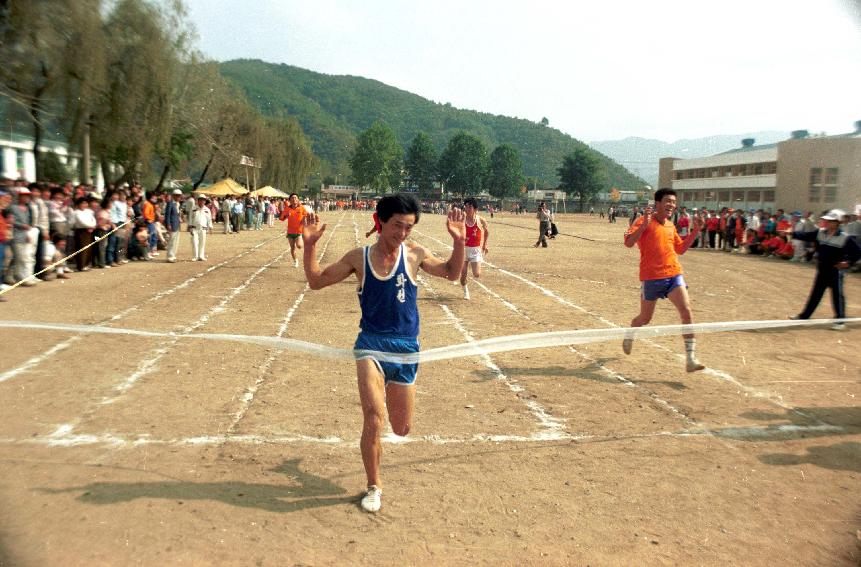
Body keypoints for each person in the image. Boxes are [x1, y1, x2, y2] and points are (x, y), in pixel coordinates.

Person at [302, 194, 466, 513]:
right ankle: (374, 486)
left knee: (401, 427)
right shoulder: (358, 258)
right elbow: (316, 281)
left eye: (408, 227)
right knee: (374, 418)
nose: (402, 233)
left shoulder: (415, 254)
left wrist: (459, 242)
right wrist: (309, 246)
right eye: (396, 226)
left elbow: (450, 272)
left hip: (407, 349)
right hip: (371, 345)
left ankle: (391, 394)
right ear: (381, 221)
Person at [622, 188, 706, 372]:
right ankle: (630, 332)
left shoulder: (670, 225)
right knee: (645, 318)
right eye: (668, 201)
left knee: (686, 311)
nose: (672, 205)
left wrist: (696, 230)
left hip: (673, 275)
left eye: (674, 202)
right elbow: (628, 242)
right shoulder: (643, 221)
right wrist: (644, 225)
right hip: (651, 278)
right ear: (657, 203)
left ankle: (690, 359)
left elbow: (681, 249)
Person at [790, 209, 860, 330]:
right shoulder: (820, 232)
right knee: (815, 294)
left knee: (837, 296)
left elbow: (858, 253)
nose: (827, 222)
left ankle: (840, 321)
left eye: (831, 221)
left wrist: (847, 263)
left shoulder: (845, 238)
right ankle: (804, 316)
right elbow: (807, 236)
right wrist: (792, 234)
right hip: (822, 269)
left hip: (835, 271)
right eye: (827, 220)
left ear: (837, 222)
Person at [459, 197, 489, 300]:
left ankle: (472, 264)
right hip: (463, 249)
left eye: (470, 206)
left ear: (475, 209)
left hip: (475, 250)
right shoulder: (462, 219)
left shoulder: (480, 220)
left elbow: (487, 232)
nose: (467, 208)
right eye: (466, 206)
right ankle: (466, 291)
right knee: (463, 275)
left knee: (477, 274)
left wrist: (485, 244)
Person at [279, 193, 307, 268]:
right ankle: (295, 261)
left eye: (295, 198)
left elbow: (306, 215)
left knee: (299, 246)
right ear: (290, 200)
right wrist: (285, 215)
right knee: (292, 248)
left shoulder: (301, 208)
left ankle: (303, 241)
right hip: (290, 231)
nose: (294, 199)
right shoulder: (287, 208)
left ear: (298, 200)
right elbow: (281, 218)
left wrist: (304, 220)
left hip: (299, 231)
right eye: (292, 198)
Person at [188, 194, 213, 261]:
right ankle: (195, 256)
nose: (202, 201)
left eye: (203, 200)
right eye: (200, 200)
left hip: (203, 228)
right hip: (194, 228)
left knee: (202, 242)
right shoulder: (193, 208)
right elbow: (190, 218)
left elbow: (209, 219)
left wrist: (210, 227)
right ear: (198, 200)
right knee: (194, 242)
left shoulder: (207, 209)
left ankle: (201, 256)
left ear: (205, 201)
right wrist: (190, 227)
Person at [164, 189, 182, 263]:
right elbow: (167, 215)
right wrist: (168, 224)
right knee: (171, 241)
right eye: (177, 195)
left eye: (179, 196)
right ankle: (170, 256)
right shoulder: (170, 203)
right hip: (172, 224)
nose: (178, 197)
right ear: (173, 196)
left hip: (177, 224)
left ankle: (173, 255)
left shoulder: (178, 204)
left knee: (176, 241)